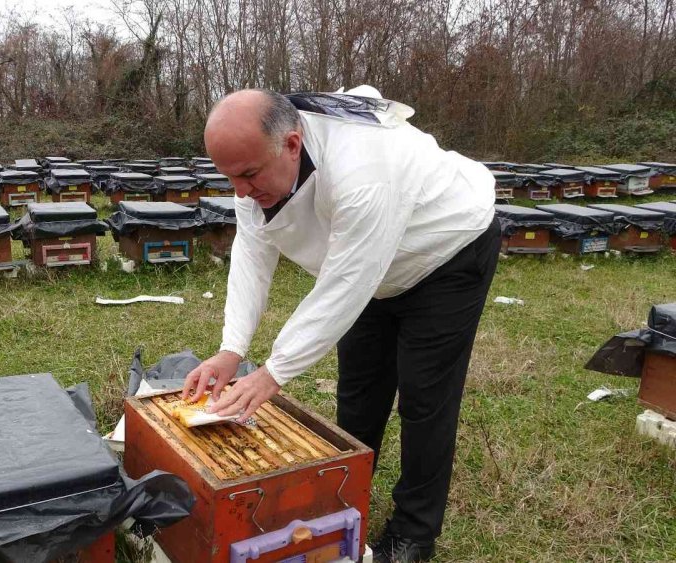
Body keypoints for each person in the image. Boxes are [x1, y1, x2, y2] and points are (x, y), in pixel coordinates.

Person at [181, 87, 500, 563]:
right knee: (359, 391)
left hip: (445, 252)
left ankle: (413, 533)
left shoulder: (363, 167)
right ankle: (343, 498)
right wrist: (232, 348)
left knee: (425, 398)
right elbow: (251, 253)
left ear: (291, 145)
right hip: (367, 264)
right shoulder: (257, 165)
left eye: (248, 175)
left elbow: (345, 282)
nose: (241, 191)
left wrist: (272, 373)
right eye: (231, 179)